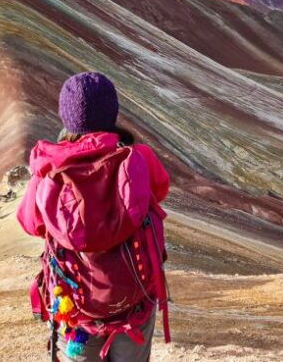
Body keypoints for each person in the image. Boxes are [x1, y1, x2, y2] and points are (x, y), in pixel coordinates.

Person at [17, 71, 170, 361]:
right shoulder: (138, 158)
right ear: (112, 113)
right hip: (133, 303)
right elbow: (159, 190)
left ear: (66, 117)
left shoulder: (48, 172)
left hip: (74, 309)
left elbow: (29, 222)